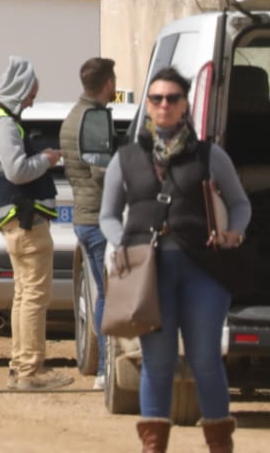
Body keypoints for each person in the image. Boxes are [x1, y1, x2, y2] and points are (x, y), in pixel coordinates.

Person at [100, 67, 251, 453]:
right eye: (156, 99)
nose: (164, 105)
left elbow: (239, 203)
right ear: (147, 107)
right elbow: (108, 215)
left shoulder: (210, 155)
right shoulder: (127, 158)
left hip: (205, 271)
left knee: (204, 360)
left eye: (172, 98)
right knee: (158, 361)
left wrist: (235, 232)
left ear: (185, 106)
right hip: (148, 276)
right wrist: (122, 246)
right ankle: (154, 447)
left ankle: (219, 445)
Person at [0, 55, 73, 391]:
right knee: (34, 296)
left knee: (23, 294)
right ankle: (30, 371)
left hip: (16, 220)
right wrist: (46, 159)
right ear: (18, 88)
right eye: (31, 94)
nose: (31, 101)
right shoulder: (1, 122)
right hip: (26, 220)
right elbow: (17, 170)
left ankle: (21, 367)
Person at [61, 55, 116, 390]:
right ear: (108, 83)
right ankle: (106, 368)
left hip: (86, 216)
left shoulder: (73, 117)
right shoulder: (93, 119)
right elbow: (101, 170)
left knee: (102, 294)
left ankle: (105, 367)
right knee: (109, 295)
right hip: (98, 218)